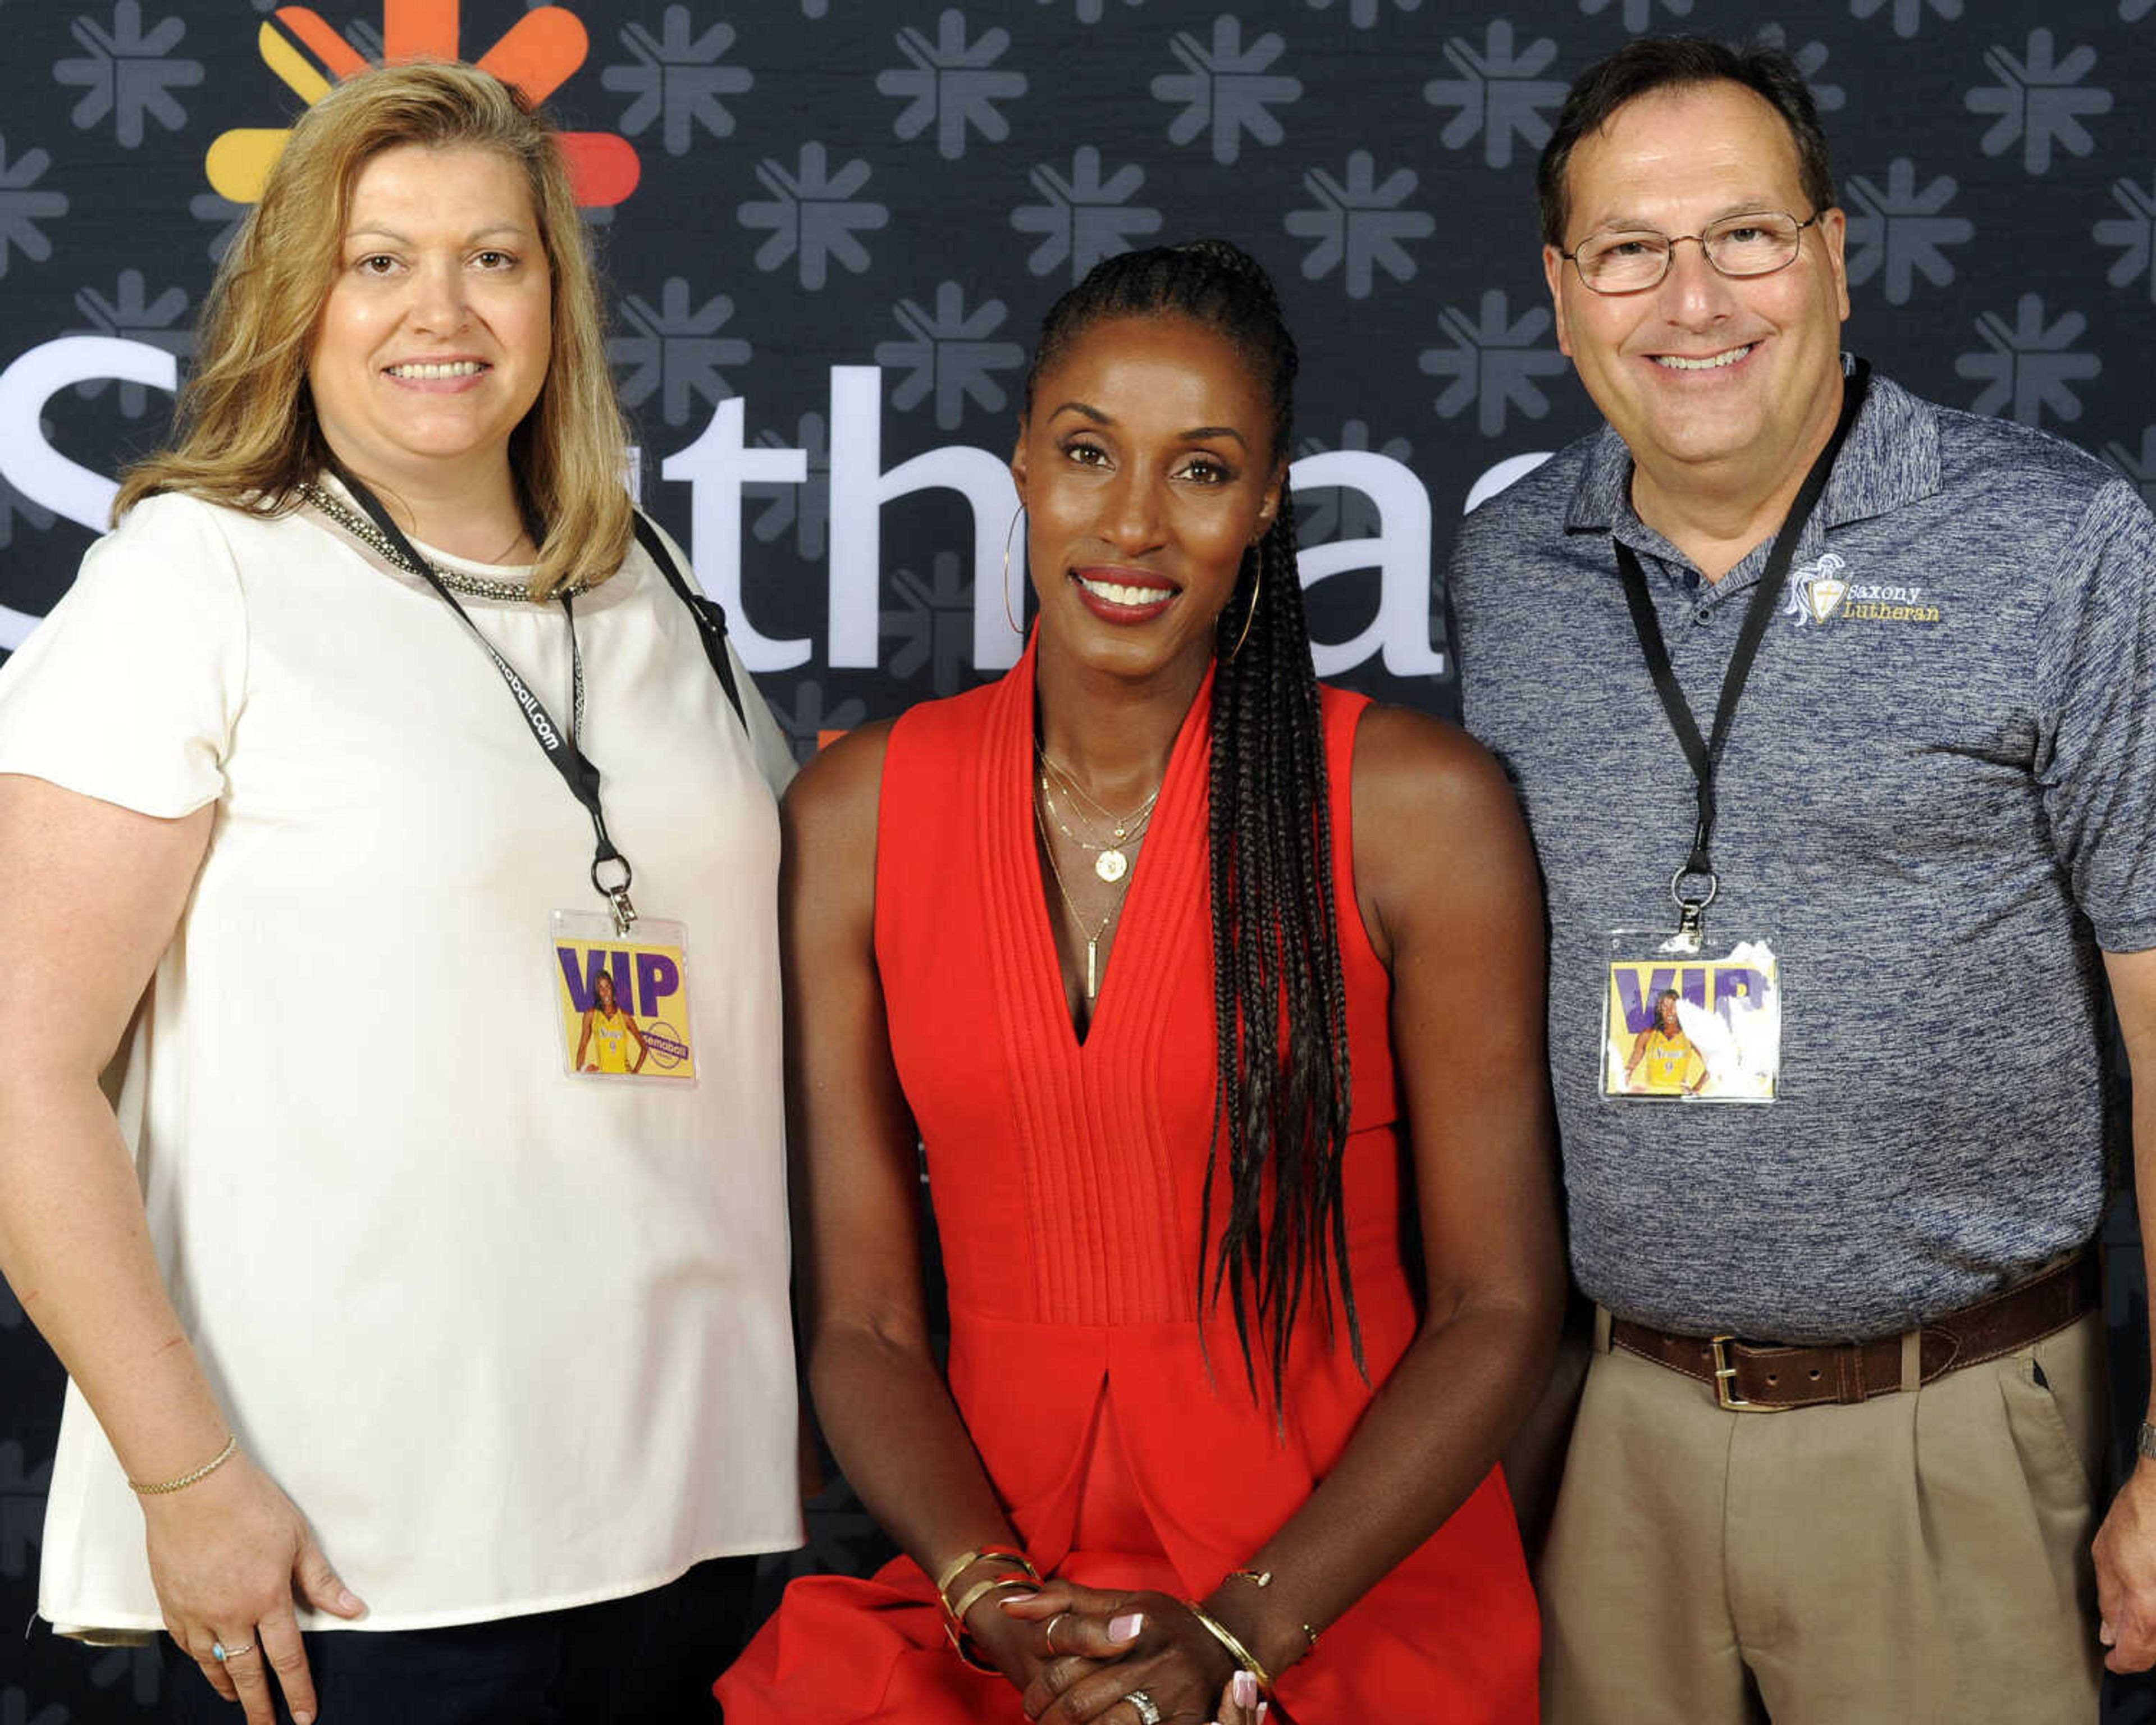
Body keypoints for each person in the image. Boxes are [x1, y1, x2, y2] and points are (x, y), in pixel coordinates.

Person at [0, 61, 800, 1725]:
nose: (441, 307)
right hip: (357, 1559)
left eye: (493, 257)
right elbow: (16, 1070)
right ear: (300, 298)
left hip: (693, 1539)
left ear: (554, 297)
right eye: (381, 260)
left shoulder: (644, 581)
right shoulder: (200, 575)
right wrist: (185, 1474)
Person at [716, 239, 1561, 1725]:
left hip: (1337, 1592)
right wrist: (999, 1608)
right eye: (1090, 455)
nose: (1133, 524)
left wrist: (1239, 1637)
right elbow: (864, 1326)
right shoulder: (855, 819)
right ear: (1023, 470)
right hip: (994, 1600)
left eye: (1203, 469)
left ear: (1270, 500)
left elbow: (1499, 1306)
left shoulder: (1412, 811)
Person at [1447, 34, 2156, 1724]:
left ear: (1835, 254)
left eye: (1743, 237)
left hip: (1956, 1433)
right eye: (1629, 250)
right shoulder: (1506, 567)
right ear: (1560, 296)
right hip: (1610, 1432)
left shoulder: (2056, 544)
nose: (1691, 300)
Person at [1623, 991, 1701, 1096]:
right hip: (1652, 1096)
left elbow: (1712, 1066)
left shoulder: (1691, 1036)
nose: (1669, 1011)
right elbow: (1629, 1069)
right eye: (1665, 1007)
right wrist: (1624, 1091)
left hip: (1680, 1097)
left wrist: (1696, 1090)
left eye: (1673, 1006)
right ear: (1659, 1009)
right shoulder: (1647, 1035)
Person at [578, 971, 650, 1074]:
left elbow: (644, 1047)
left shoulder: (625, 1017)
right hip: (603, 1079)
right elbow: (582, 1047)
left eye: (607, 987)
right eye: (601, 988)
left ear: (612, 988)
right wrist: (582, 1069)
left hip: (624, 1078)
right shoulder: (591, 1015)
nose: (605, 992)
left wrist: (635, 1072)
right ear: (597, 992)